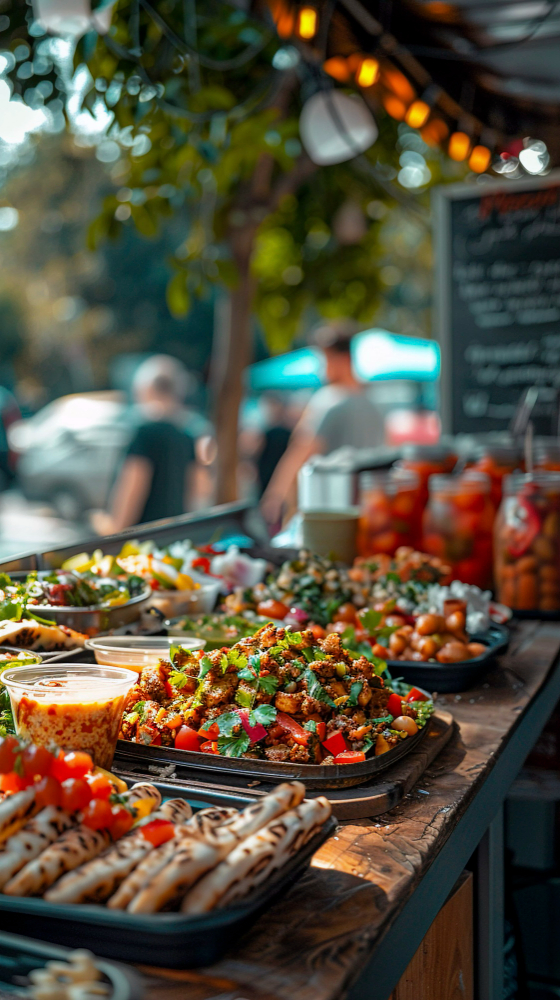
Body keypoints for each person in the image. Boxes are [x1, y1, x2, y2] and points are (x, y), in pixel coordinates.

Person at [260, 319, 385, 526]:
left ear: (341, 359)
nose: (321, 369)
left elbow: (301, 451)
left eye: (324, 359)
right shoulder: (373, 405)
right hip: (366, 511)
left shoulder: (328, 399)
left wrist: (275, 495)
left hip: (326, 511)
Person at [94, 355, 197, 533]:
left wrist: (114, 529)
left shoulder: (144, 432)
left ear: (146, 389)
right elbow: (198, 489)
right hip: (174, 535)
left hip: (144, 539)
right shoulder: (187, 435)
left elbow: (133, 485)